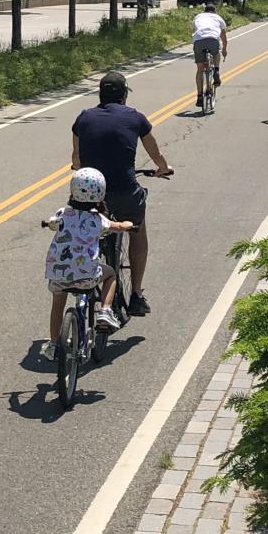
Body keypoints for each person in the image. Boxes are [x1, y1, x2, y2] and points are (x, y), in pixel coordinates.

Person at [71, 71, 172, 316]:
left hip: (91, 194)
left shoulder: (84, 118)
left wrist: (79, 167)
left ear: (100, 95)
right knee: (137, 229)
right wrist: (162, 168)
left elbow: (76, 158)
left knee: (83, 226)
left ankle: (80, 274)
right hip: (124, 189)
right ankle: (136, 294)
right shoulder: (135, 118)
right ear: (124, 96)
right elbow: (154, 152)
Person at [40, 168, 135, 360]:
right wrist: (126, 225)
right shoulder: (97, 219)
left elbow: (52, 223)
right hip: (86, 275)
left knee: (57, 305)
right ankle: (106, 311)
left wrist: (51, 225)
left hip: (58, 275)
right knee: (110, 275)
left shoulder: (62, 213)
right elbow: (116, 227)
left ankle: (53, 344)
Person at [191, 1, 228, 107]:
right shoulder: (218, 18)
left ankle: (199, 97)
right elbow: (224, 38)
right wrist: (224, 50)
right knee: (216, 53)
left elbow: (193, 30)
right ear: (214, 11)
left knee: (200, 70)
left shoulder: (198, 17)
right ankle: (216, 70)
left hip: (199, 41)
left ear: (204, 10)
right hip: (213, 40)